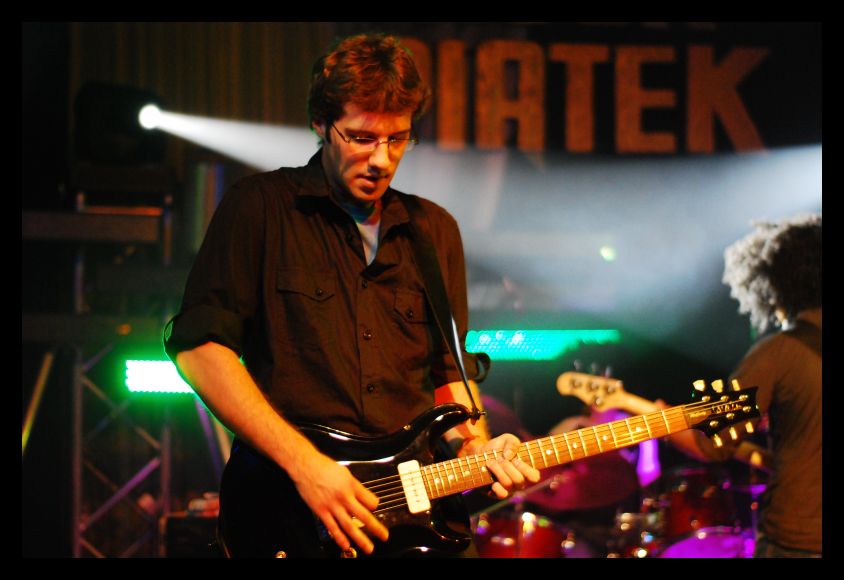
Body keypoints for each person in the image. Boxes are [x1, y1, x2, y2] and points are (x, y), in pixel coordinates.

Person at [163, 33, 539, 558]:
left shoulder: (434, 231)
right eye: (362, 138)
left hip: (416, 520)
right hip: (291, 514)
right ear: (321, 124)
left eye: (398, 139)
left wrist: (476, 448)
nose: (381, 159)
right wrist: (306, 466)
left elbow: (446, 375)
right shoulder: (260, 208)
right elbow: (200, 349)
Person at [663, 213, 821, 558]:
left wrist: (662, 418)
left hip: (798, 542)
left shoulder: (780, 351)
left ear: (777, 284)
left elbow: (711, 445)